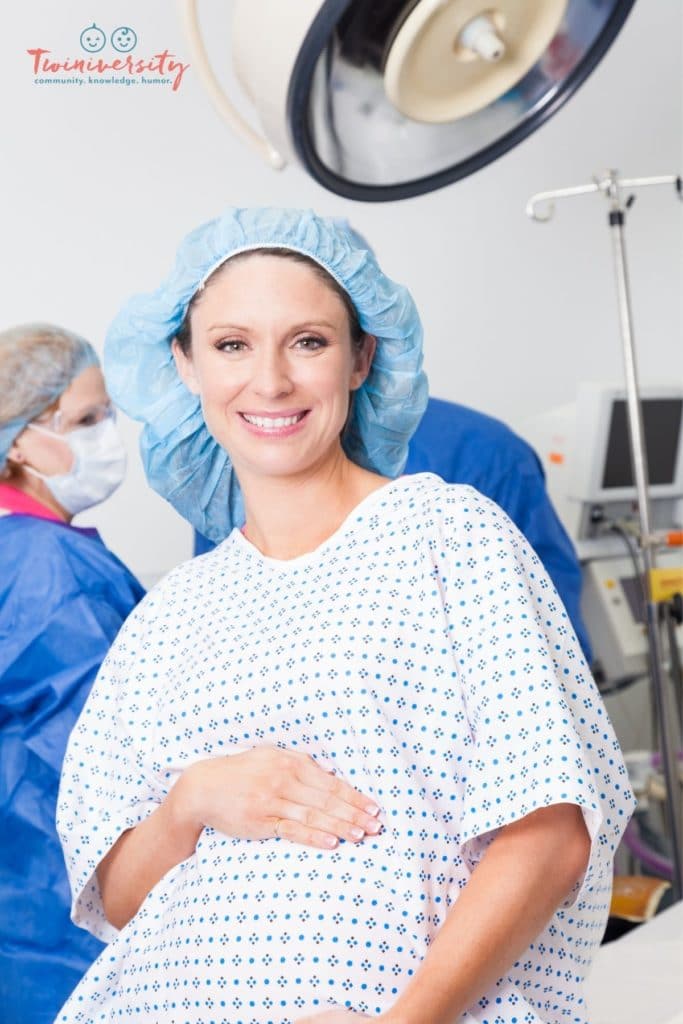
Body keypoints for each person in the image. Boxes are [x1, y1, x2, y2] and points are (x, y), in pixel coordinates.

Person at [56, 209, 634, 1024]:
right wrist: (192, 799)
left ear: (362, 356)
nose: (269, 382)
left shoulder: (446, 536)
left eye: (308, 341)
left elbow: (550, 834)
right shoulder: (171, 614)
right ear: (182, 364)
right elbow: (118, 901)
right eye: (230, 345)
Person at [0, 324, 146, 1024]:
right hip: (59, 913)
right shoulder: (48, 569)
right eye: (84, 420)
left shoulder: (26, 550)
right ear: (20, 441)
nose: (106, 437)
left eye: (107, 414)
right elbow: (110, 763)